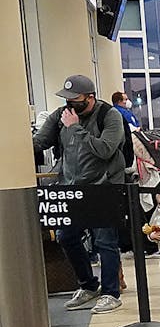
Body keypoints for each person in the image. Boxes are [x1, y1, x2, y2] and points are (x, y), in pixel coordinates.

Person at [32, 74, 127, 314]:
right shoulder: (60, 115)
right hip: (70, 187)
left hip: (103, 188)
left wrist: (75, 128)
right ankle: (88, 285)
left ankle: (110, 293)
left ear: (90, 97)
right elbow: (40, 142)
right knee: (66, 237)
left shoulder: (110, 116)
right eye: (67, 99)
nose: (70, 103)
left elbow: (105, 150)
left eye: (76, 99)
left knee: (105, 241)